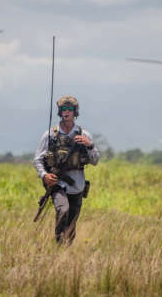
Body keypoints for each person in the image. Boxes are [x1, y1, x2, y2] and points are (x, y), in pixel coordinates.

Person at [33, 95, 100, 244]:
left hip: (77, 185)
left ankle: (65, 252)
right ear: (60, 112)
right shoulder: (50, 135)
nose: (66, 111)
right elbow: (37, 159)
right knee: (63, 210)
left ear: (75, 112)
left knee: (71, 224)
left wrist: (89, 145)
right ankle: (58, 245)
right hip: (57, 183)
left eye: (70, 109)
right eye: (63, 109)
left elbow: (95, 160)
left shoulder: (84, 135)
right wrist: (44, 175)